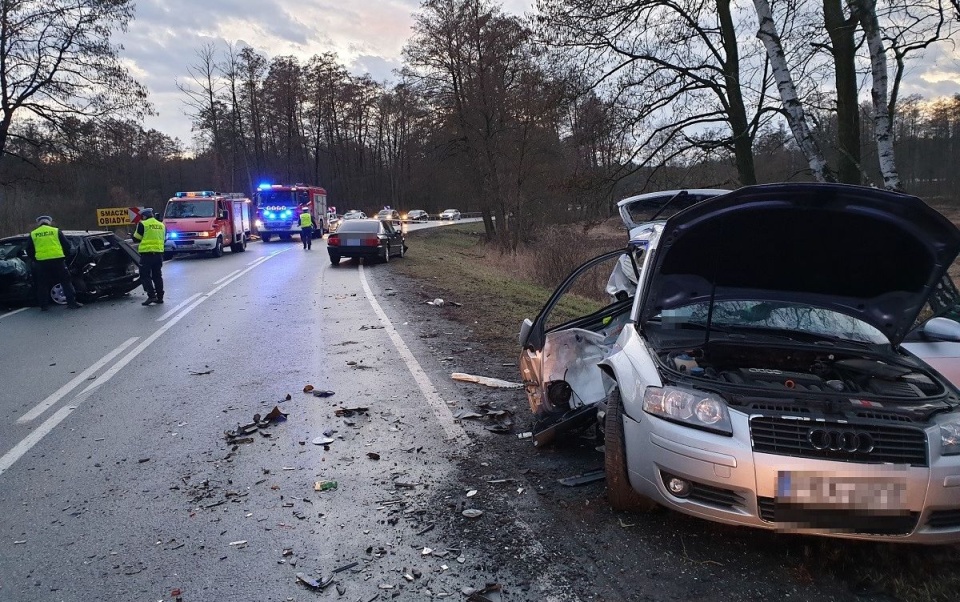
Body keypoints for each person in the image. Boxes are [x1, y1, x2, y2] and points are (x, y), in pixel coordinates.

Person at [27, 215, 82, 310]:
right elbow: (67, 245)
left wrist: (35, 259)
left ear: (38, 223)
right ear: (49, 222)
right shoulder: (56, 231)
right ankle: (72, 303)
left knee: (42, 284)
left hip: (41, 263)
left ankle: (44, 306)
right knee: (66, 282)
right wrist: (65, 256)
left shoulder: (33, 234)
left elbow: (29, 250)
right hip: (58, 261)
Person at [134, 207, 165, 305]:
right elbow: (164, 238)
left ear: (144, 216)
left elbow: (136, 238)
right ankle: (160, 297)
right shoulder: (161, 225)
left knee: (145, 275)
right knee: (157, 276)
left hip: (147, 255)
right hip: (159, 255)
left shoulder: (143, 224)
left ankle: (151, 296)